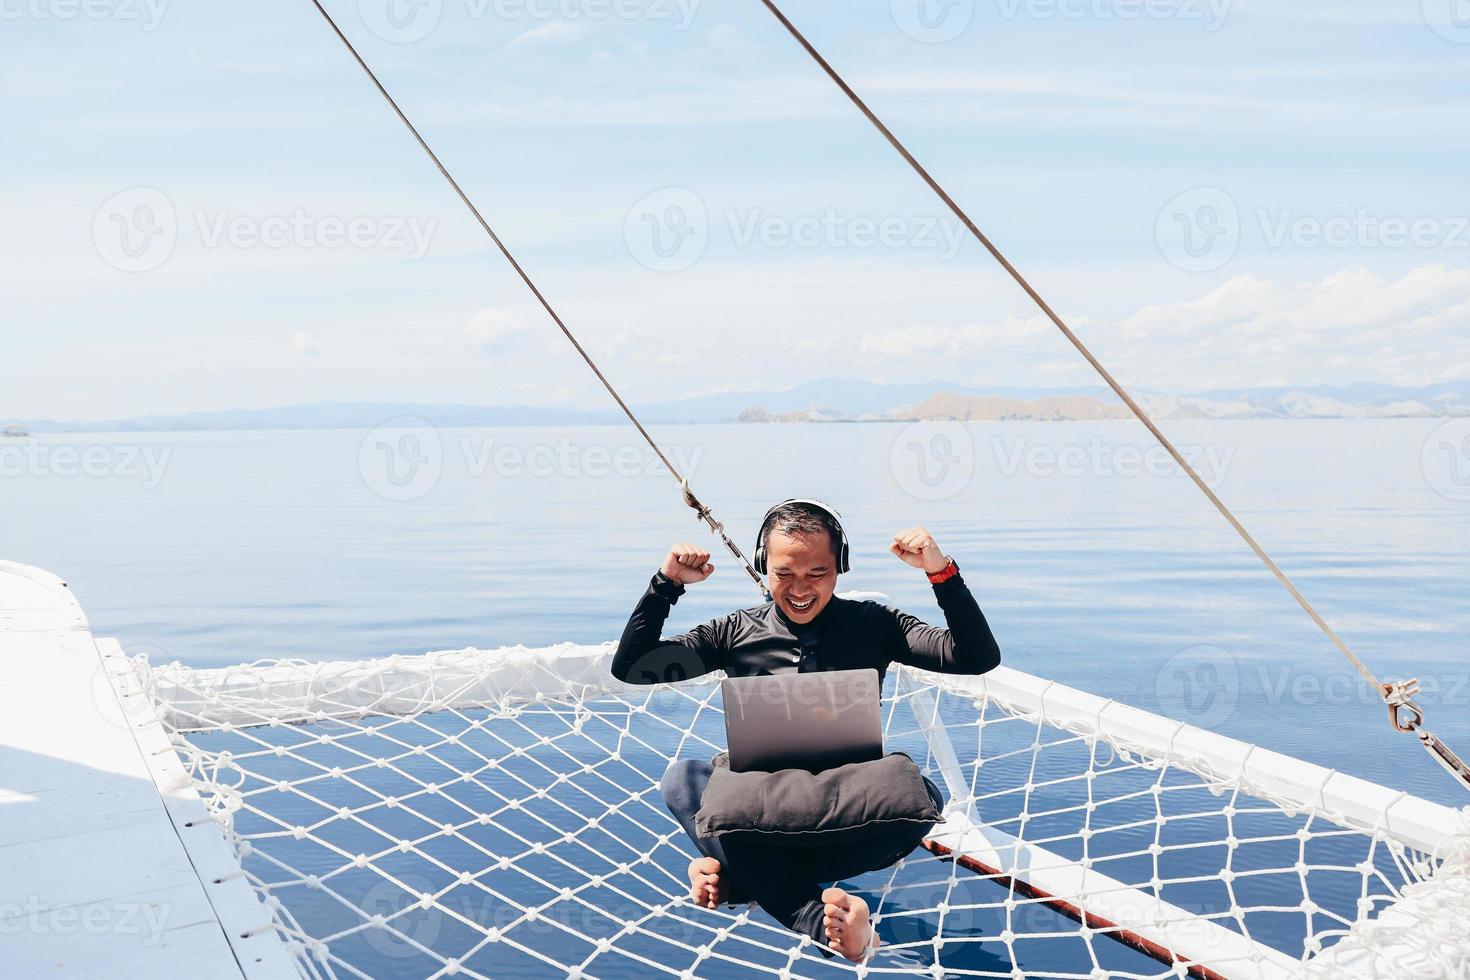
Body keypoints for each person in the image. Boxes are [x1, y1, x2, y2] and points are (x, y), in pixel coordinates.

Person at [611, 499, 1002, 962]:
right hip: (766, 815)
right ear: (763, 566)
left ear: (841, 566)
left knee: (925, 799)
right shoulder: (734, 631)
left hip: (851, 818)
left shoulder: (875, 624)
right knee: (683, 779)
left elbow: (977, 656)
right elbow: (633, 668)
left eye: (817, 573)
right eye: (784, 574)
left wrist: (940, 571)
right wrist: (667, 584)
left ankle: (737, 877)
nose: (800, 589)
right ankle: (819, 922)